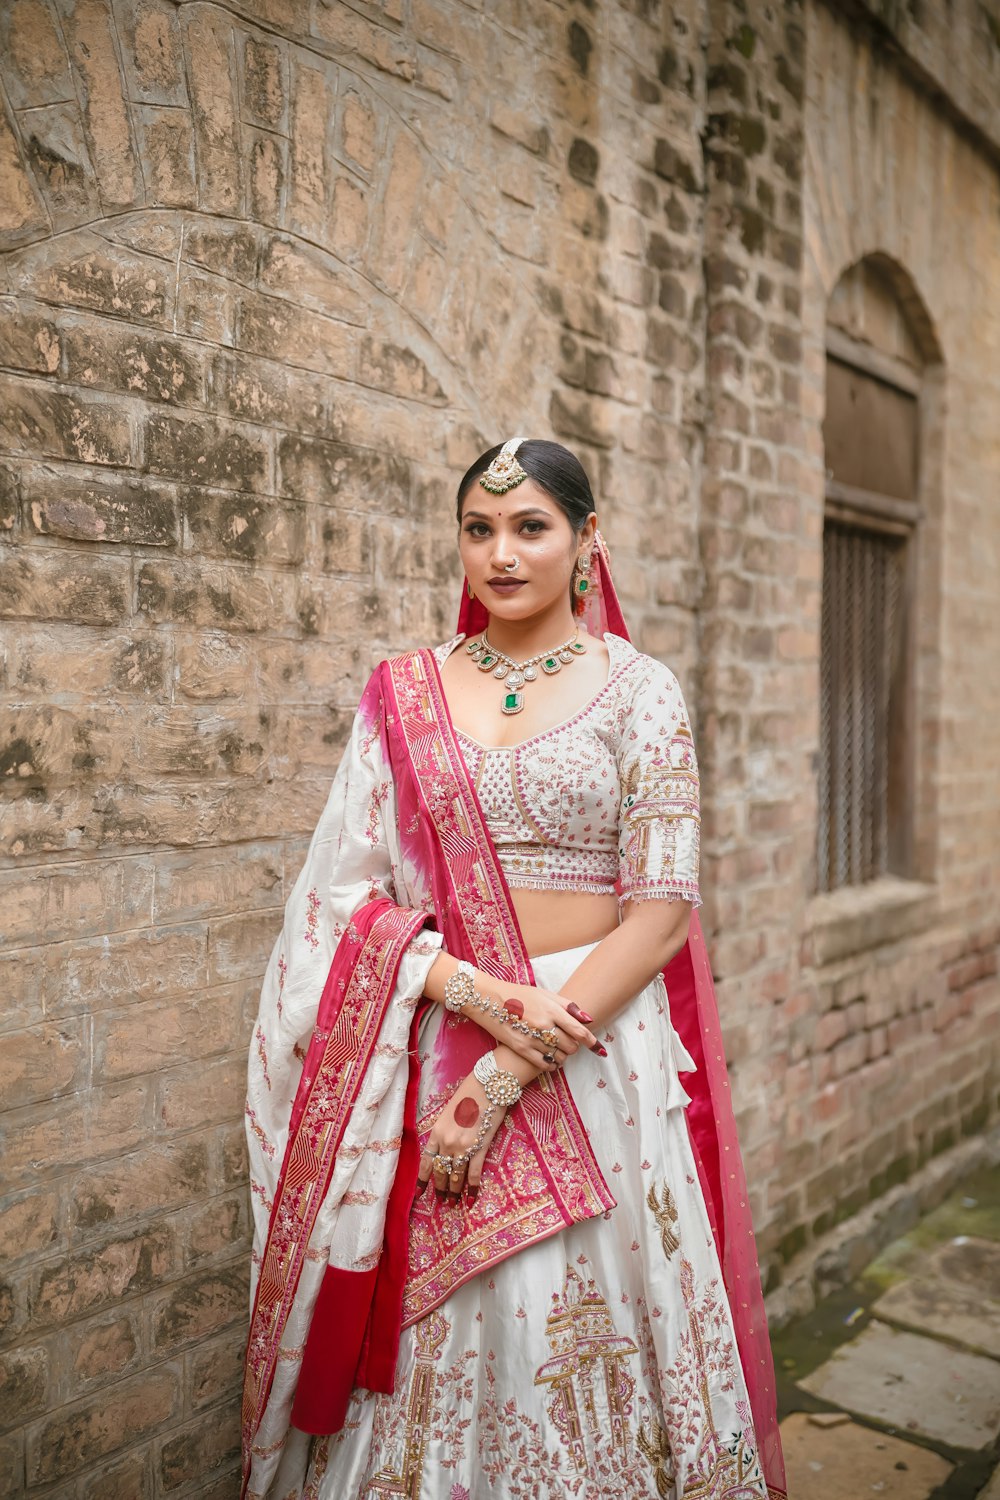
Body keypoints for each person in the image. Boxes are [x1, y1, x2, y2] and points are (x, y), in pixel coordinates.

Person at [242, 439, 787, 1500]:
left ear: (588, 541)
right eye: (480, 528)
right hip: (440, 1026)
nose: (502, 552)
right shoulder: (406, 694)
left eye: (530, 527)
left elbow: (662, 914)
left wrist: (504, 1075)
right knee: (449, 1328)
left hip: (594, 1050)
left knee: (580, 1324)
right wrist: (465, 992)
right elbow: (342, 898)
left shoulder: (641, 691)